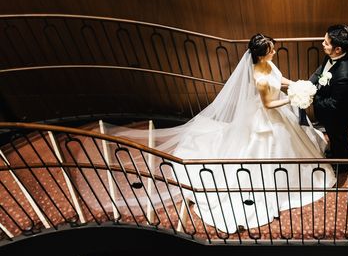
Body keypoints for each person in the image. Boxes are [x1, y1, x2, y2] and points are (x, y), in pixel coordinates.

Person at [99, 34, 335, 234]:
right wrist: (291, 98)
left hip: (277, 112)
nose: (274, 52)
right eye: (271, 50)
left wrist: (294, 84)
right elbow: (268, 104)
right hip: (266, 115)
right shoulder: (259, 77)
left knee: (292, 142)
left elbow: (278, 77)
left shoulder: (268, 66)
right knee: (264, 150)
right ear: (261, 55)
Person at [309, 24, 348, 174]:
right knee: (334, 137)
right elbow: (321, 70)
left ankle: (345, 165)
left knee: (340, 138)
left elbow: (335, 103)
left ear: (338, 49)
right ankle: (335, 152)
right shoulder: (333, 55)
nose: (322, 44)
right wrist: (309, 84)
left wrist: (312, 97)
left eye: (326, 43)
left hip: (338, 115)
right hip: (329, 114)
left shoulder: (344, 74)